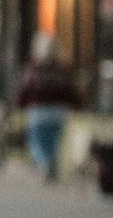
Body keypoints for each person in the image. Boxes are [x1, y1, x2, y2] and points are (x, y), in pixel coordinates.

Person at [15, 33, 79, 181]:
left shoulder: (34, 68)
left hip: (39, 111)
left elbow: (25, 89)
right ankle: (51, 166)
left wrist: (19, 105)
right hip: (59, 111)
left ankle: (45, 164)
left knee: (37, 142)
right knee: (54, 143)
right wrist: (77, 105)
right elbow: (71, 90)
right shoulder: (62, 69)